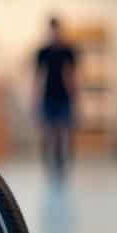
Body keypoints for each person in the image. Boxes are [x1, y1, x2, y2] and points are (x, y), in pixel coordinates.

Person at [34, 17, 78, 177]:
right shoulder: (42, 52)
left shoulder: (68, 51)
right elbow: (39, 76)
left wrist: (75, 96)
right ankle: (48, 164)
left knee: (62, 131)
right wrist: (35, 98)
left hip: (64, 97)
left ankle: (60, 165)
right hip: (48, 96)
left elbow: (72, 75)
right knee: (47, 132)